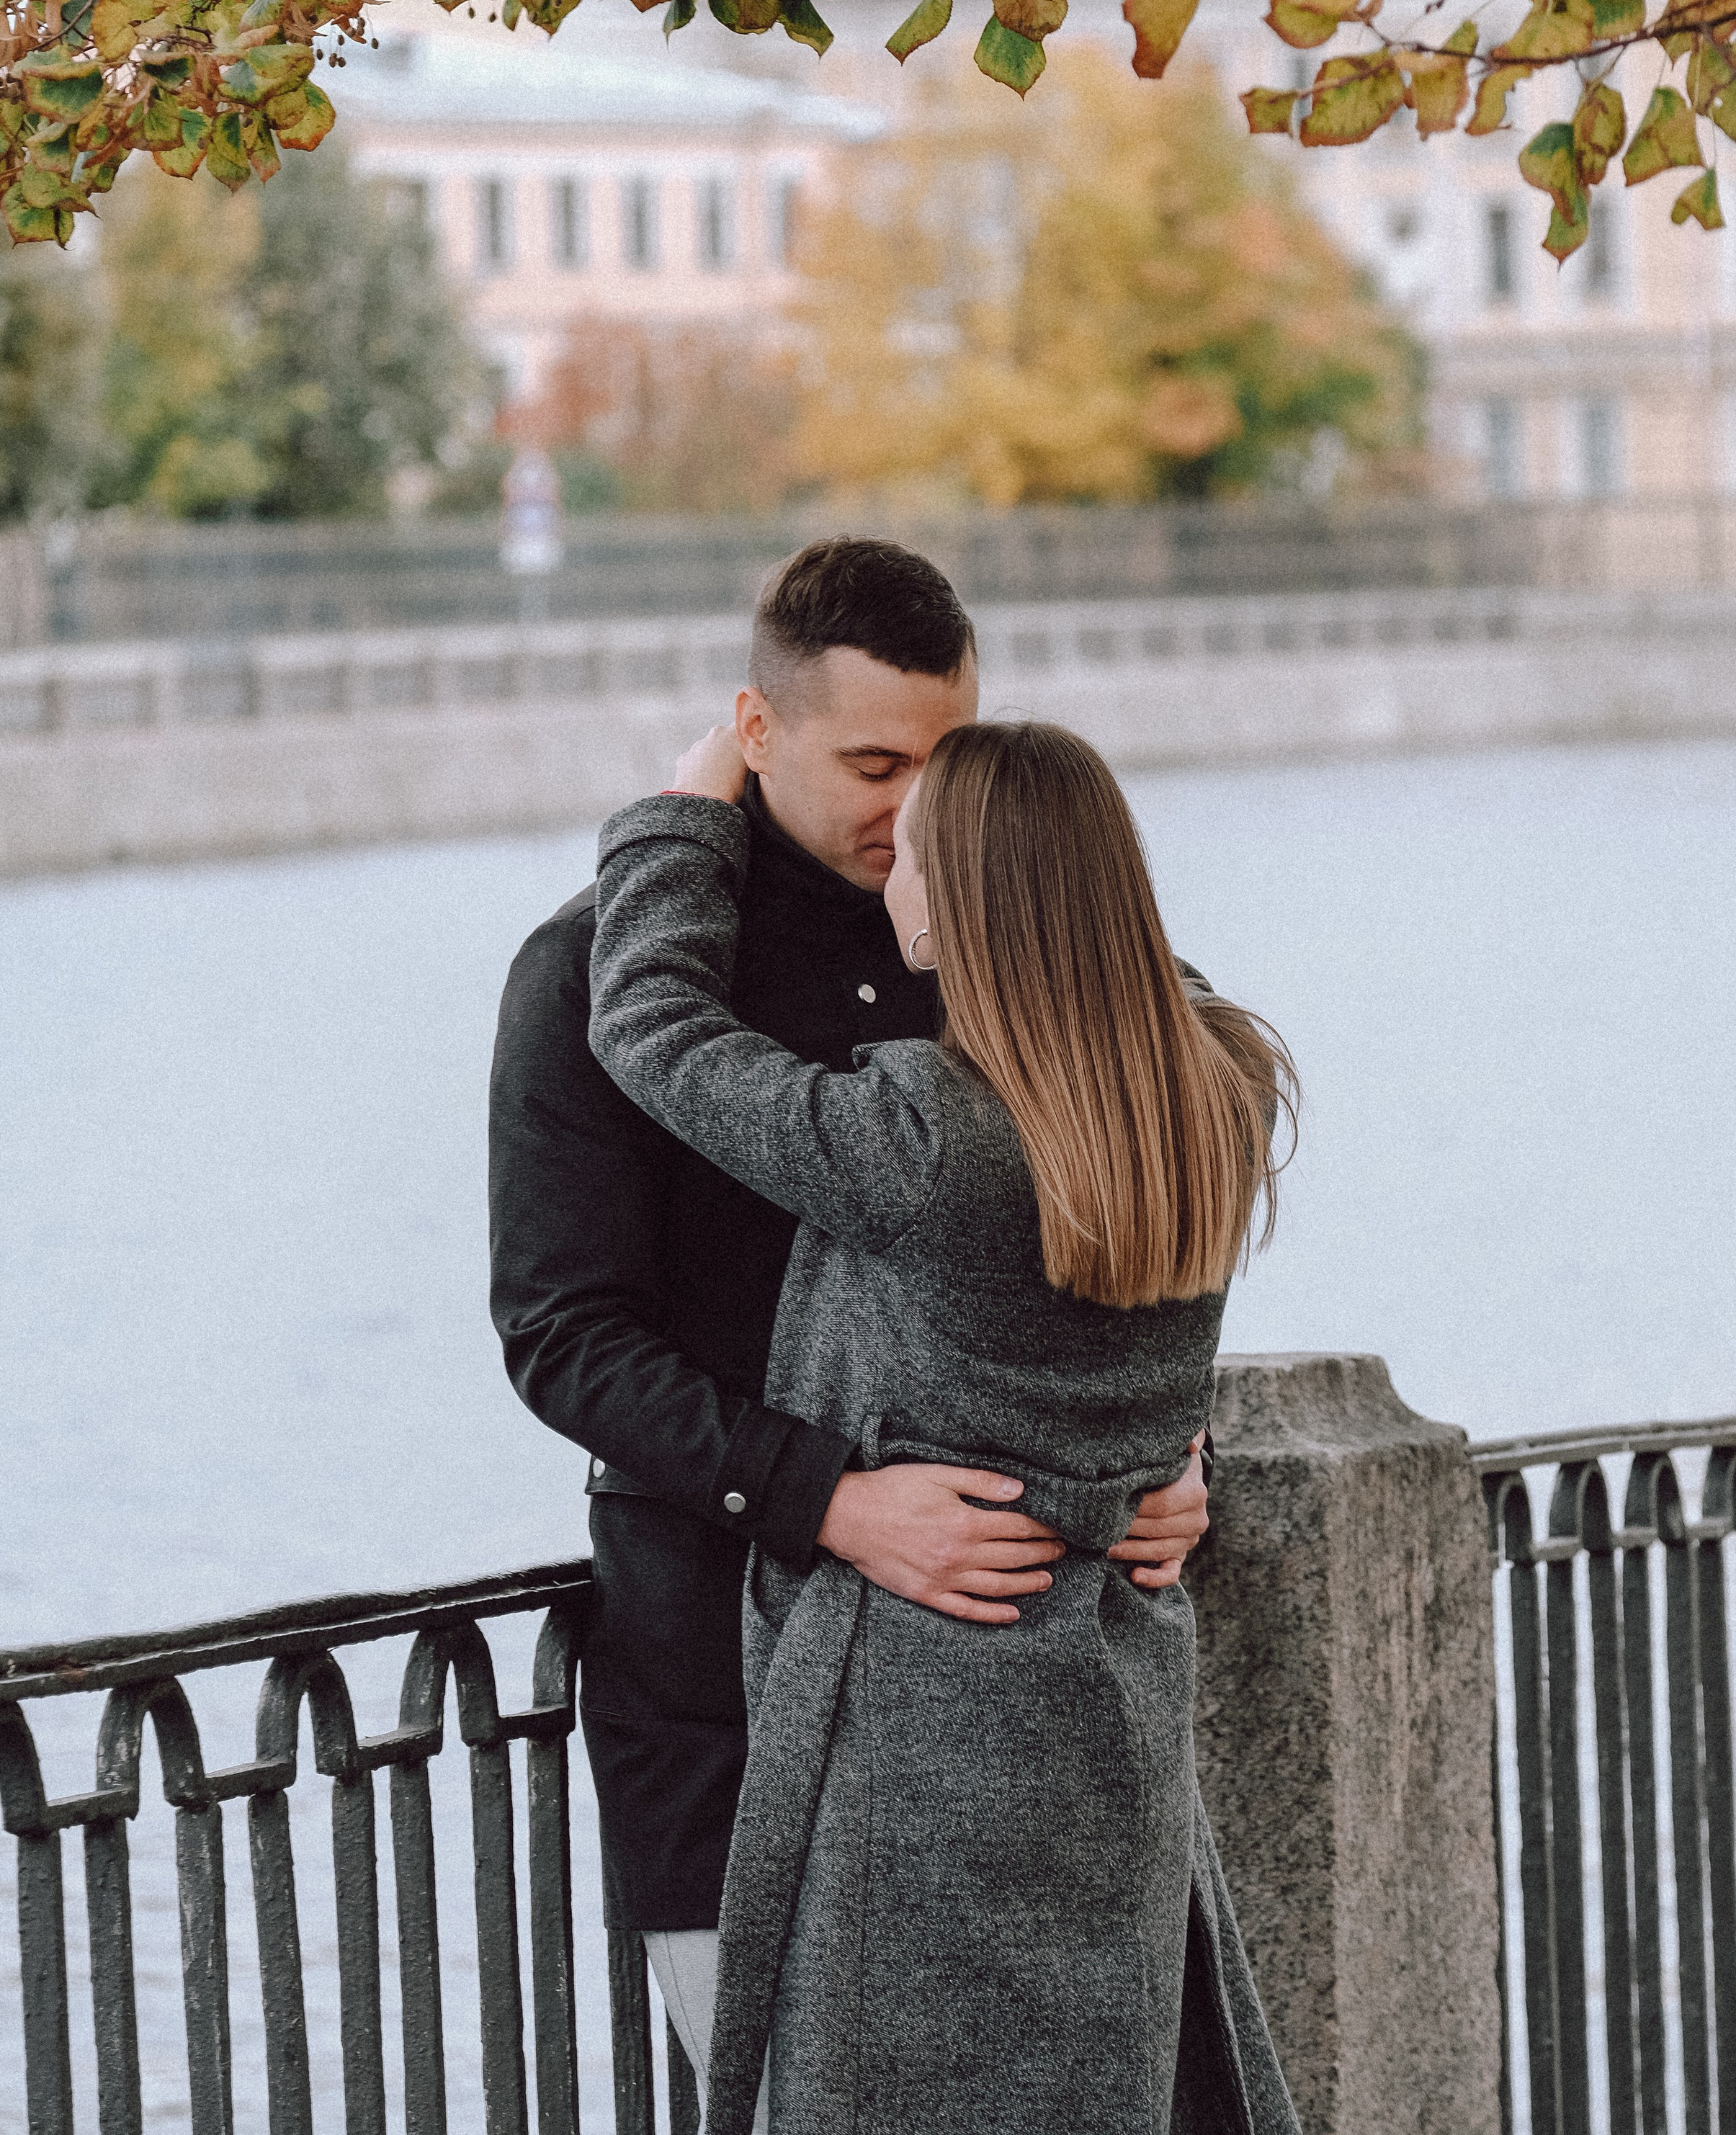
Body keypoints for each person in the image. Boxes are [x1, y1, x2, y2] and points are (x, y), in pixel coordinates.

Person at [488, 540, 1211, 2095]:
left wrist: (1171, 1444)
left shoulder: (1019, 954)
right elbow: (563, 1336)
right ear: (756, 732)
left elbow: (1136, 1203)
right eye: (875, 763)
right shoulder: (593, 967)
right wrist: (832, 1504)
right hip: (724, 1693)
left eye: (948, 763)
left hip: (1039, 1716)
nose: (918, 808)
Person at [587, 715, 1301, 2135]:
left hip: (924, 1724)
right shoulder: (1215, 1085)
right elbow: (1136, 983)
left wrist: (682, 816)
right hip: (1114, 1698)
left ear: (968, 894)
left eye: (915, 854)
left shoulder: (919, 1135)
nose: (888, 879)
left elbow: (647, 1026)